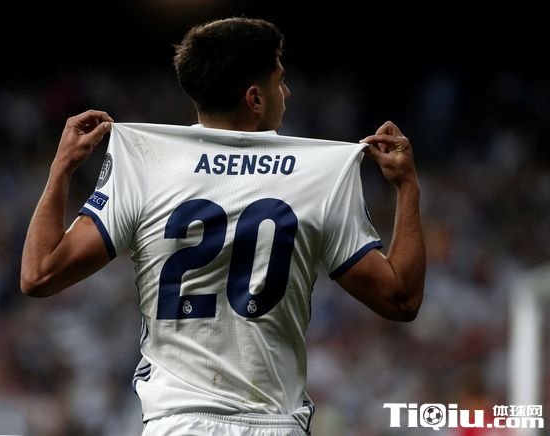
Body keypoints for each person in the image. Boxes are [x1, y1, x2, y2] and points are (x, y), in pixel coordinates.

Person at [21, 17, 425, 436]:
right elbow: (400, 299)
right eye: (280, 81)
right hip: (275, 424)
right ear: (255, 98)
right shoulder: (321, 173)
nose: (286, 93)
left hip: (178, 426)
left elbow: (39, 273)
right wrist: (407, 186)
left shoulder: (145, 161)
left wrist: (62, 167)